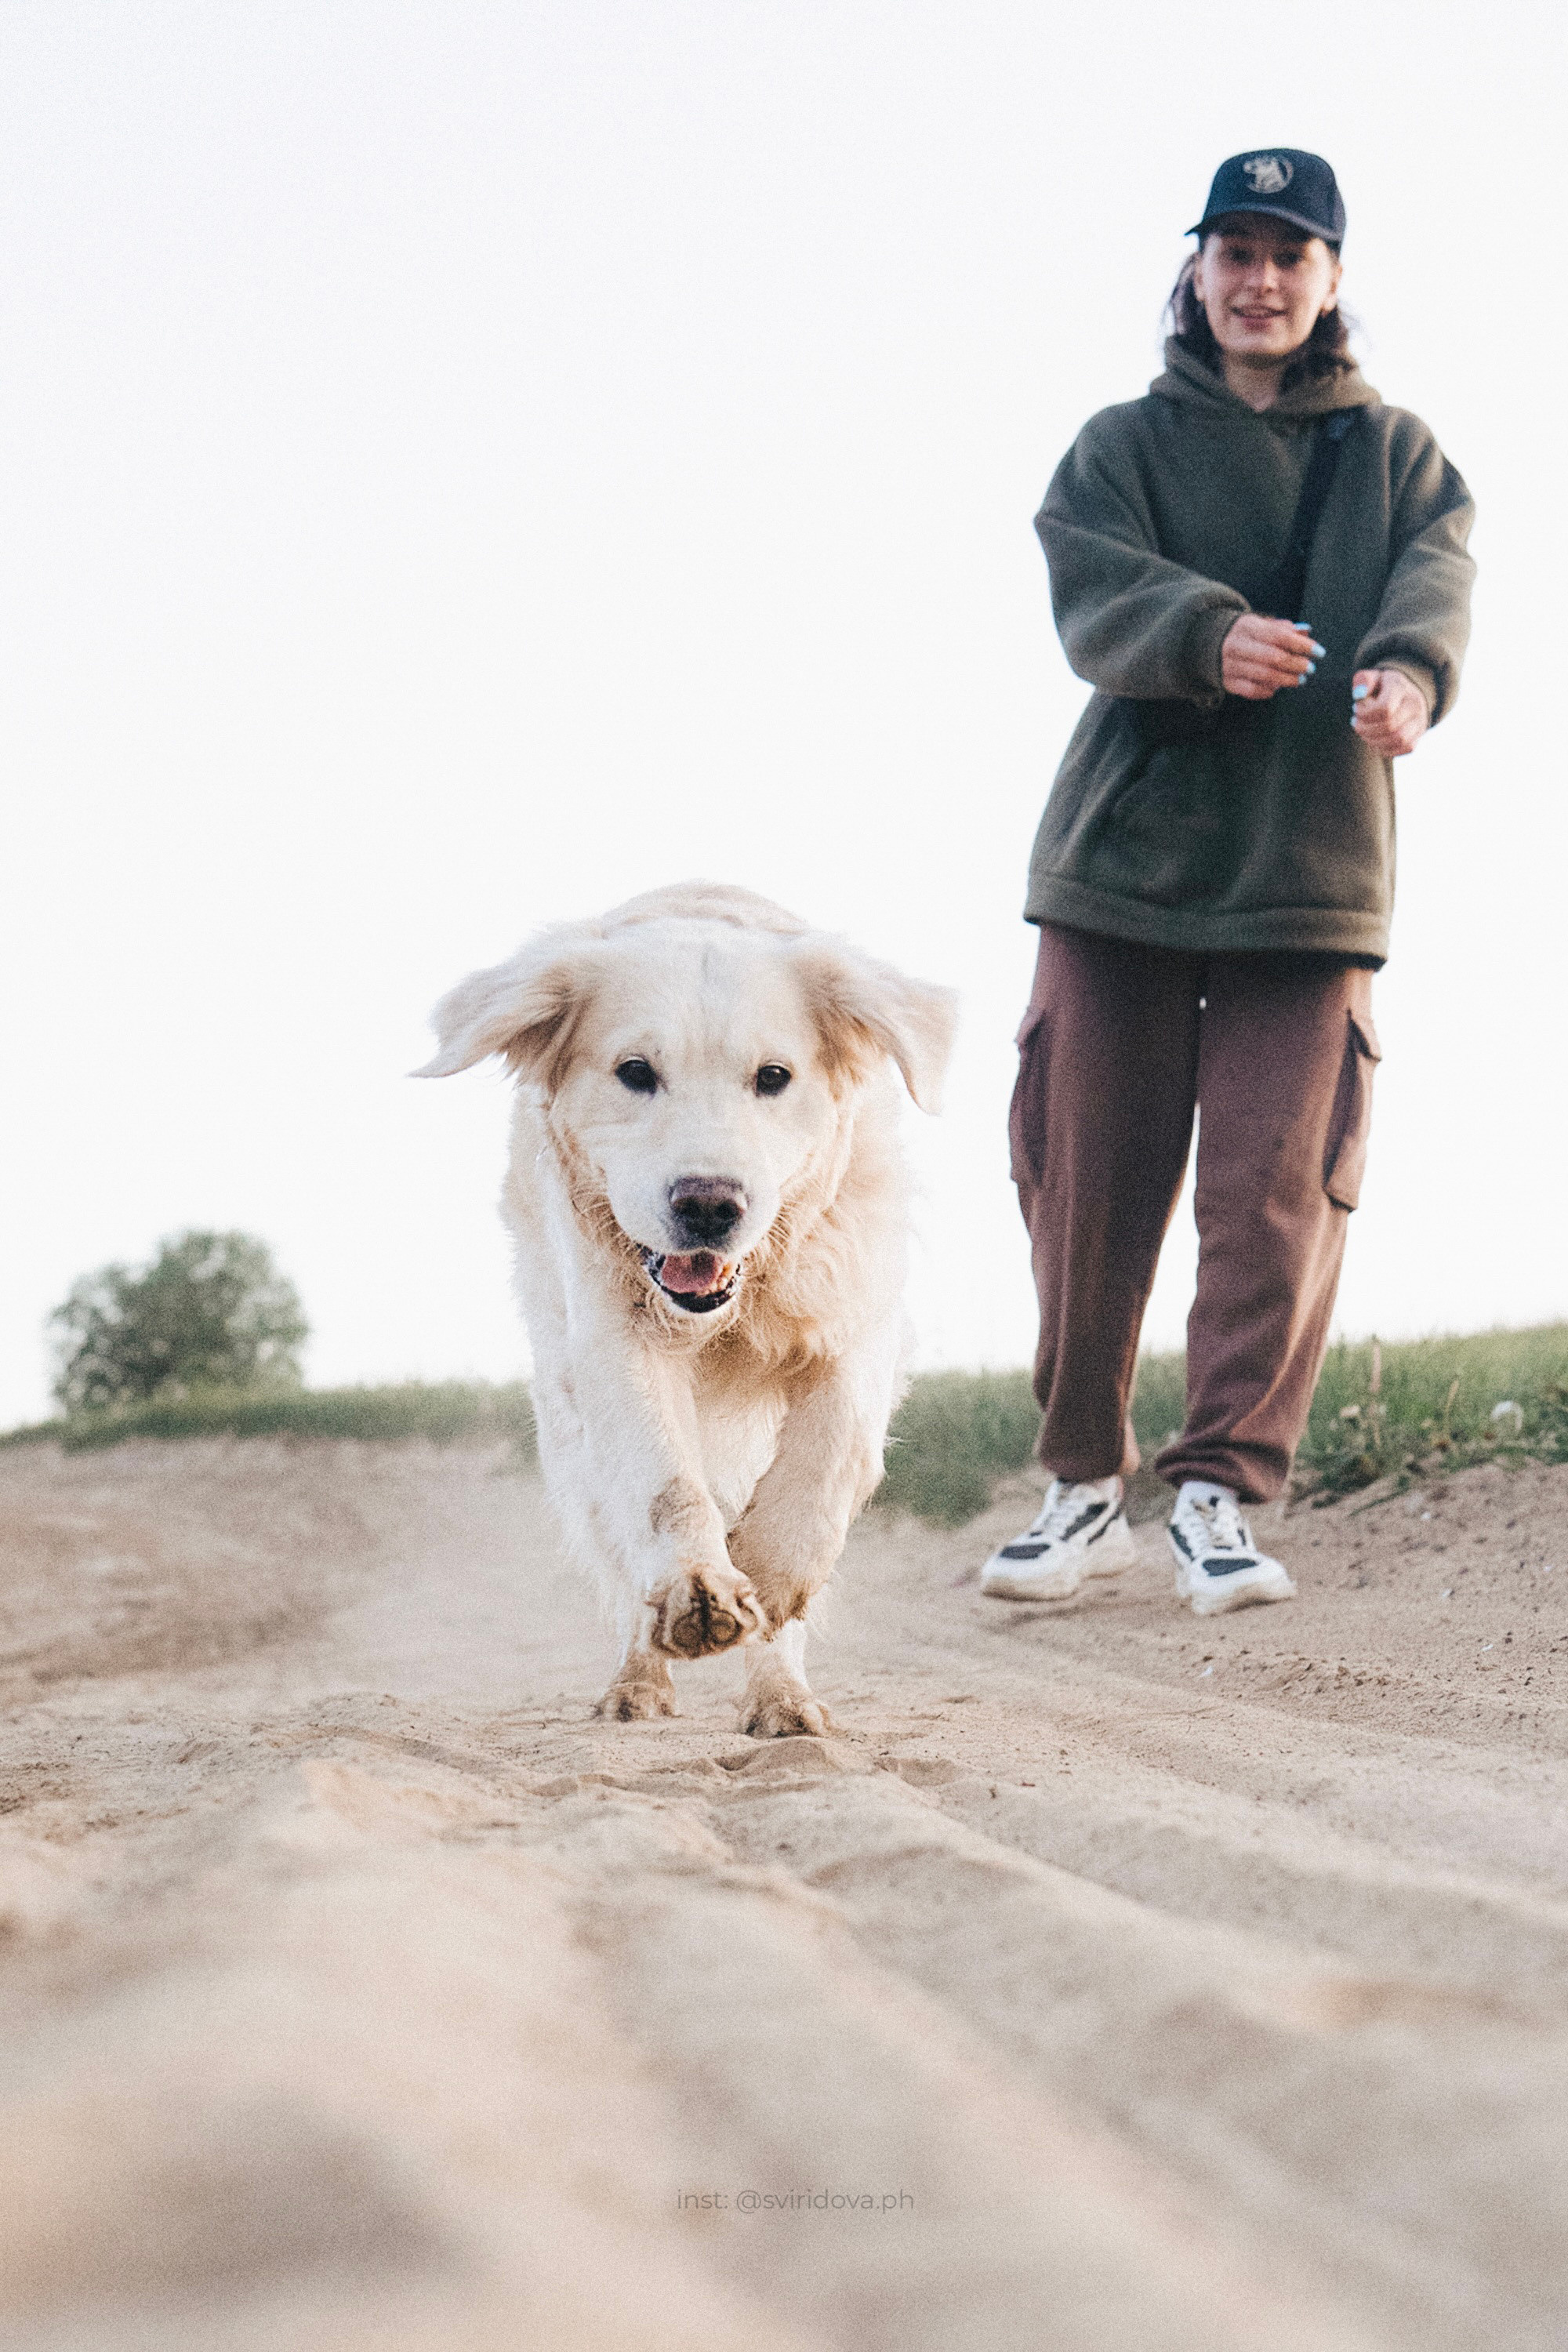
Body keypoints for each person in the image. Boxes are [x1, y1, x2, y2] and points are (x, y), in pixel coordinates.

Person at [982, 150, 1475, 1617]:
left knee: (1275, 1197)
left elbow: (1434, 586)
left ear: (1331, 283)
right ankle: (1080, 1491)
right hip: (1121, 864)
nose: (1261, 280)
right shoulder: (1121, 443)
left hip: (1312, 871)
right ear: (1196, 273)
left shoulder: (1400, 457)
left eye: (1291, 254)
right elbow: (1090, 584)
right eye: (1235, 252)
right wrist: (1204, 634)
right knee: (1086, 1184)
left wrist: (1409, 681)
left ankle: (1217, 1500)